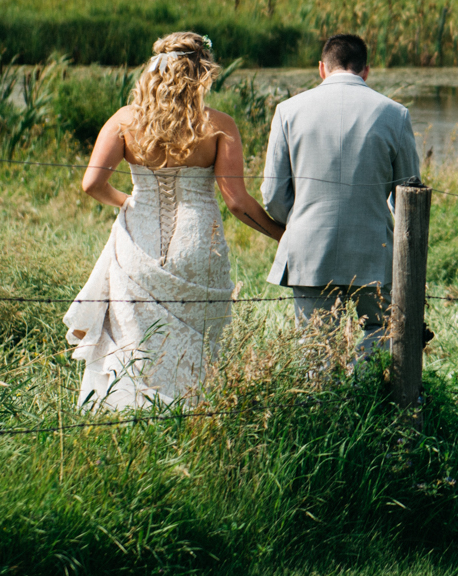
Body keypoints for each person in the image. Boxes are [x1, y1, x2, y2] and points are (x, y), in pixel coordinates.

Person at [65, 32, 285, 409]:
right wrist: (281, 234)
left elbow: (91, 183)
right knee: (195, 338)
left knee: (135, 333)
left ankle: (130, 409)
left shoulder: (124, 121)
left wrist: (129, 203)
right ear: (202, 73)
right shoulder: (218, 125)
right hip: (198, 242)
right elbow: (236, 202)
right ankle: (189, 410)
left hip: (139, 238)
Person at [259, 32, 421, 355]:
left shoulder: (288, 111)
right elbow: (408, 196)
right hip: (373, 250)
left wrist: (300, 220)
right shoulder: (395, 114)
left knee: (316, 347)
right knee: (382, 329)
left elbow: (273, 194)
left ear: (322, 68)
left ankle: (324, 402)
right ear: (366, 70)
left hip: (309, 249)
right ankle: (362, 390)